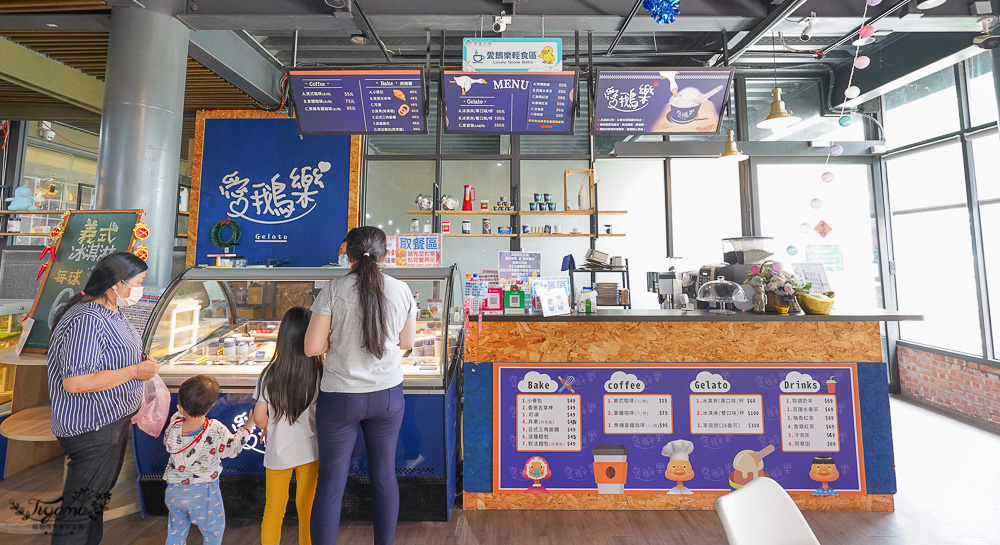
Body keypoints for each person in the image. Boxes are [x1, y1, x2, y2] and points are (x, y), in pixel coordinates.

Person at [305, 226, 416, 545]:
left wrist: (336, 339)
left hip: (340, 398)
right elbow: (407, 341)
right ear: (385, 255)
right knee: (384, 477)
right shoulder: (401, 289)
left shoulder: (333, 289)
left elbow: (312, 348)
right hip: (387, 396)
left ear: (347, 254)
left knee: (331, 485)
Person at [47, 251, 160, 545]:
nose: (140, 289)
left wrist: (140, 364)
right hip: (92, 428)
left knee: (93, 505)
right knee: (79, 512)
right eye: (137, 282)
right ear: (114, 285)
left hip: (110, 423)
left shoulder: (113, 311)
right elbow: (76, 382)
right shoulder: (85, 320)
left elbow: (110, 360)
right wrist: (136, 370)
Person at [252, 306, 323, 545]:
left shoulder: (270, 373)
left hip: (278, 451)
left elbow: (259, 416)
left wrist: (267, 427)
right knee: (308, 510)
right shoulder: (318, 371)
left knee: (273, 511)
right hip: (310, 451)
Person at [163, 375, 255, 545]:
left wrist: (181, 412)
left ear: (180, 404)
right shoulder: (215, 429)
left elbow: (169, 443)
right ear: (212, 404)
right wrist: (249, 425)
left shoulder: (173, 427)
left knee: (176, 529)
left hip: (174, 491)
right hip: (204, 492)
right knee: (213, 531)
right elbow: (233, 449)